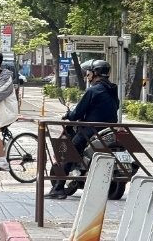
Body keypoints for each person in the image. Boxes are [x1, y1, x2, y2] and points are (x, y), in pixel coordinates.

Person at [45, 59, 119, 199]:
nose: (87, 76)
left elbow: (77, 113)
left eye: (88, 73)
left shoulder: (93, 90)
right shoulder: (113, 88)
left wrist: (69, 115)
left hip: (92, 129)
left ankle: (59, 188)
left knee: (70, 150)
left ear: (95, 73)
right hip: (110, 128)